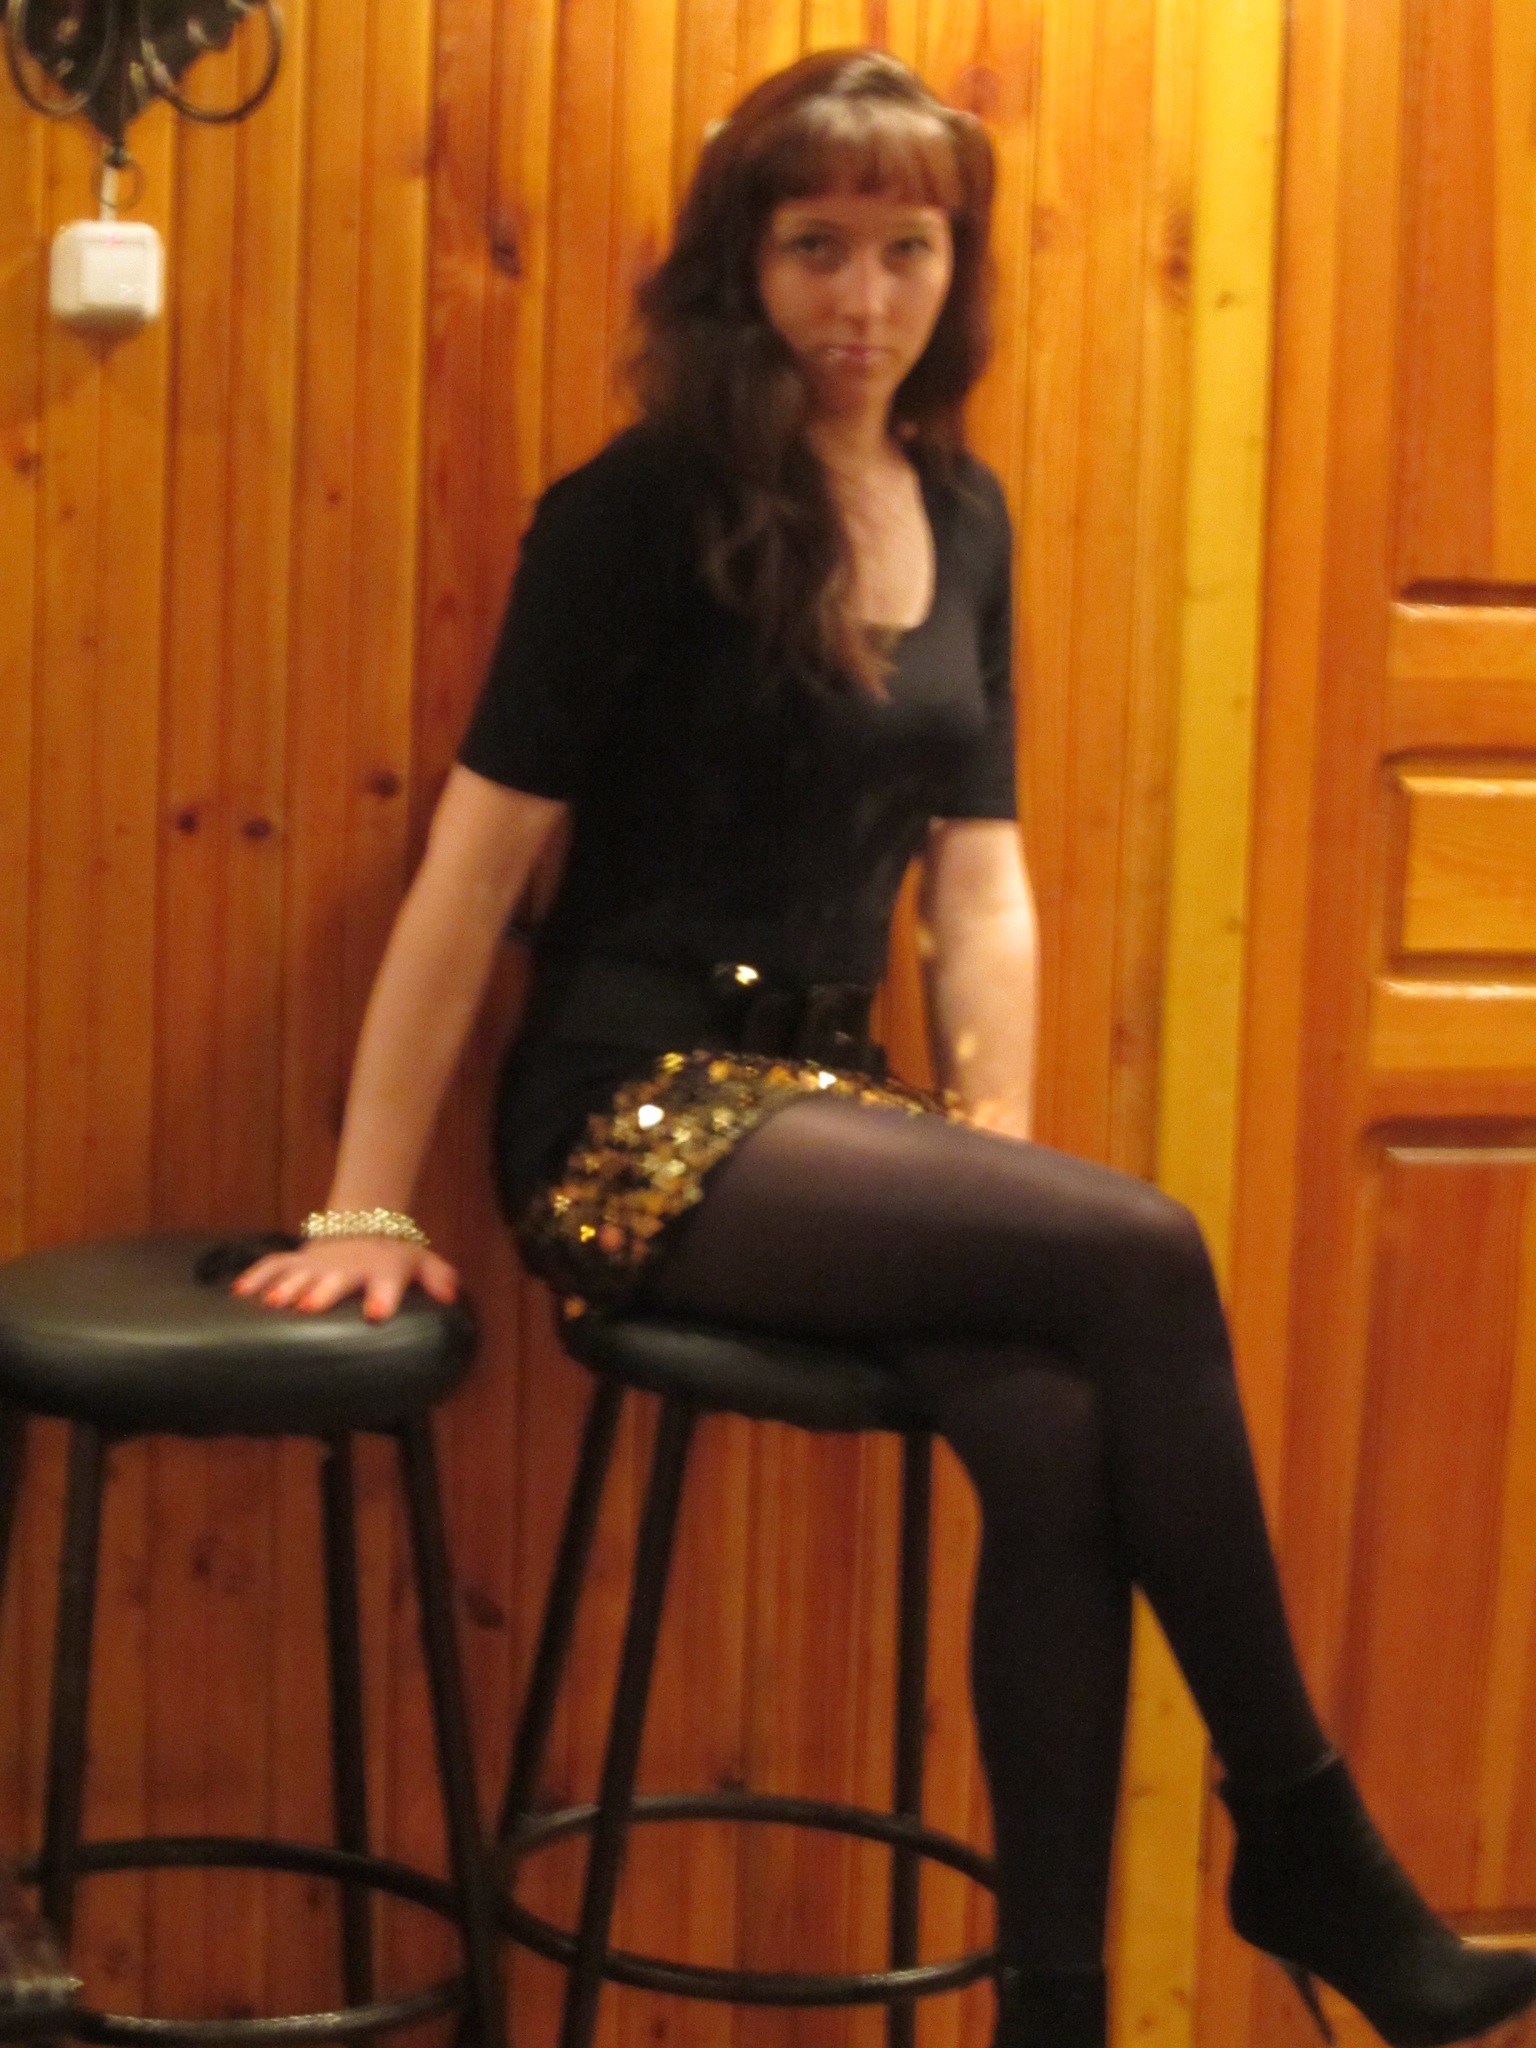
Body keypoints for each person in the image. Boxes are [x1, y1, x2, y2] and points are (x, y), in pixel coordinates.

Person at [235, 50, 1536, 2048]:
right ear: (741, 262)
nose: (863, 297)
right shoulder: (639, 508)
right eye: (816, 246)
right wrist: (366, 1195)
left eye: (906, 250)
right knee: (1146, 1247)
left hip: (833, 1109)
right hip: (625, 1110)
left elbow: (979, 877)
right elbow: (475, 870)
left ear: (957, 267)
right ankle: (1305, 1834)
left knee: (1061, 1421)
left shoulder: (966, 513)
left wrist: (990, 1149)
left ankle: (1053, 2010)